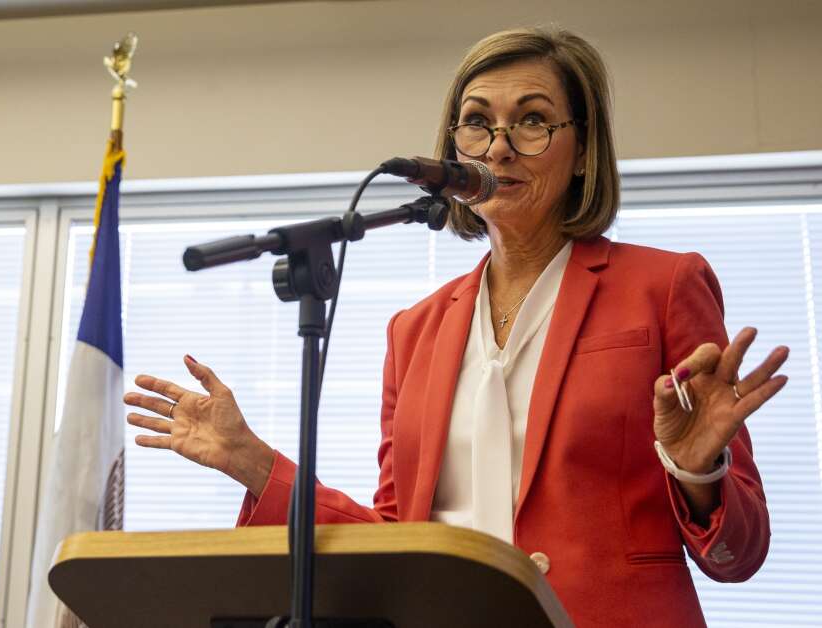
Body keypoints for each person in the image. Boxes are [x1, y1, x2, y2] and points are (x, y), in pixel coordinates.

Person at [124, 26, 789, 626]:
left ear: (582, 151)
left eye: (532, 121)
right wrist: (254, 463)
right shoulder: (412, 332)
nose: (499, 147)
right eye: (476, 123)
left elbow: (739, 555)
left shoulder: (663, 286)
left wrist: (696, 468)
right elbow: (397, 536)